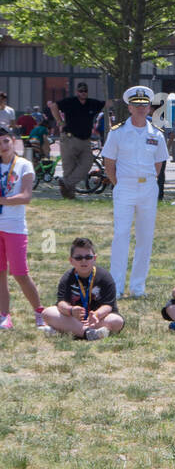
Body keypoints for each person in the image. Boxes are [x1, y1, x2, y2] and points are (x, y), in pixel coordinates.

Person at [102, 86, 169, 297]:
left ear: (150, 108)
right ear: (129, 107)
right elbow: (109, 163)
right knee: (121, 235)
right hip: (125, 187)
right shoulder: (118, 132)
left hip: (148, 187)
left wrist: (148, 181)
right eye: (137, 105)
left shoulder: (156, 134)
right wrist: (119, 183)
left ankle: (138, 287)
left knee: (145, 237)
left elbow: (159, 164)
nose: (141, 109)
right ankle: (117, 286)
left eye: (145, 105)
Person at [0, 126, 46, 329]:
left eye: (5, 141)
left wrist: (2, 200)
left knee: (19, 273)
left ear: (13, 141)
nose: (2, 146)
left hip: (15, 227)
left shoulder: (24, 165)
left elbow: (26, 197)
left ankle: (39, 312)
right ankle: (4, 315)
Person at [41, 237, 124, 340]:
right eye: (78, 258)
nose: (84, 261)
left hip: (97, 320)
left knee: (117, 321)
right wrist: (71, 310)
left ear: (94, 258)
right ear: (71, 260)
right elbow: (61, 303)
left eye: (88, 257)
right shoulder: (67, 277)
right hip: (72, 319)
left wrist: (96, 315)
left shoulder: (105, 277)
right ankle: (89, 333)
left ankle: (69, 331)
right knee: (47, 313)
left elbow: (108, 306)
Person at [46, 82, 104, 198]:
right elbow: (53, 106)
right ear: (77, 92)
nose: (83, 93)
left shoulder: (92, 103)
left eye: (85, 91)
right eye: (81, 91)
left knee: (87, 163)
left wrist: (121, 100)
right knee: (69, 168)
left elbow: (107, 103)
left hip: (85, 140)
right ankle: (69, 195)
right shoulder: (70, 101)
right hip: (69, 138)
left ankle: (66, 183)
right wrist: (59, 121)